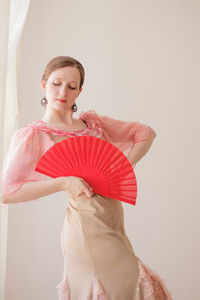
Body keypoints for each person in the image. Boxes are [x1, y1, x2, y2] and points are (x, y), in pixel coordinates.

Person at [0, 56, 174, 300]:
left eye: (72, 87)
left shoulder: (94, 125)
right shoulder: (33, 136)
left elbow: (145, 133)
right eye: (56, 84)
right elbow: (6, 191)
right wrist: (63, 183)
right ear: (43, 85)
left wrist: (124, 164)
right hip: (84, 228)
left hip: (114, 223)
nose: (63, 92)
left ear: (80, 91)